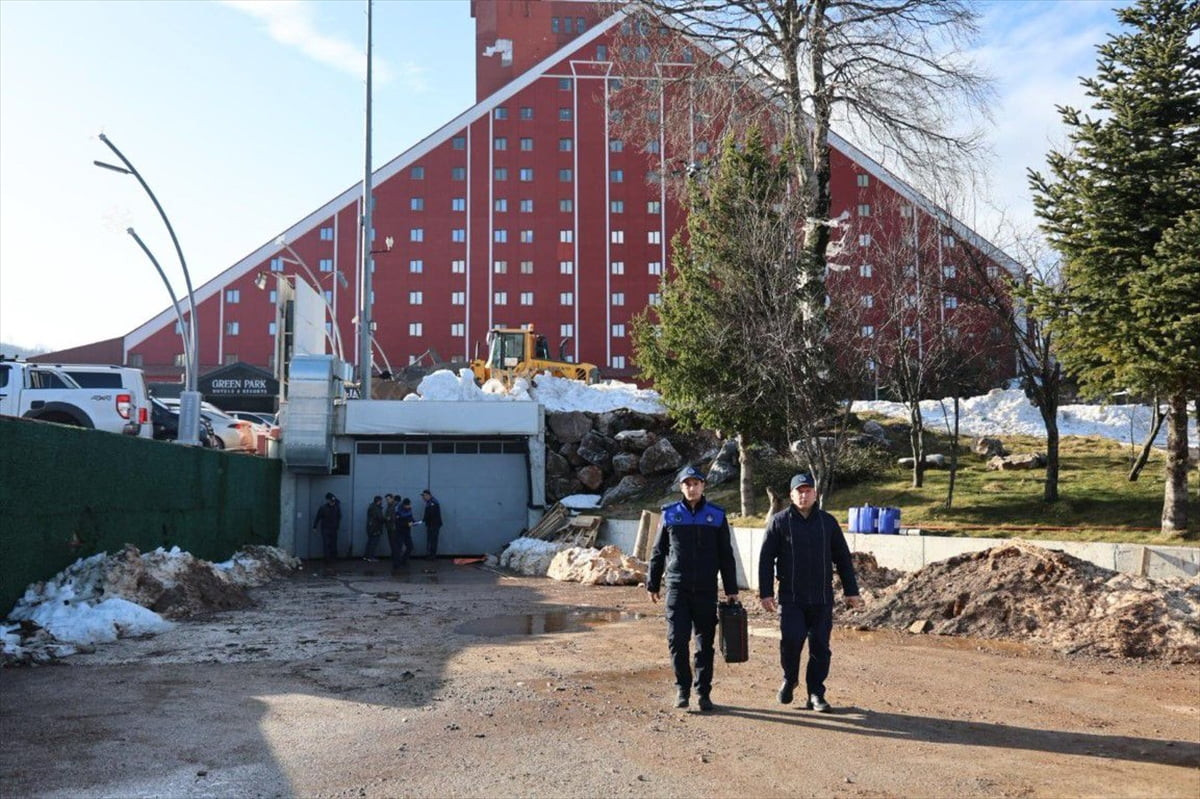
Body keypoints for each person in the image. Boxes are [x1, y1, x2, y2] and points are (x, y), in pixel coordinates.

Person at [759, 473, 864, 713]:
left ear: (815, 494)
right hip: (791, 597)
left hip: (821, 598)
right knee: (791, 640)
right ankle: (790, 677)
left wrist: (851, 591)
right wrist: (766, 593)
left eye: (808, 491)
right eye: (799, 491)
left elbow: (843, 559)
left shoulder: (827, 522)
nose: (803, 495)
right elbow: (766, 559)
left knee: (820, 646)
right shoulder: (779, 521)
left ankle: (816, 693)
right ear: (791, 495)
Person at [646, 465, 739, 712]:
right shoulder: (669, 514)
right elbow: (658, 552)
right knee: (677, 640)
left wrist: (731, 588)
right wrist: (652, 583)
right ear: (681, 487)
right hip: (677, 587)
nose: (691, 487)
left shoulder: (716, 515)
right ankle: (682, 689)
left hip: (706, 589)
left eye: (696, 483)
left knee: (704, 643)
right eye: (687, 484)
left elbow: (725, 555)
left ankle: (703, 692)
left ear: (703, 486)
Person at [312, 492, 341, 564]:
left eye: (333, 501)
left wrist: (337, 525)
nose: (332, 502)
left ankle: (333, 558)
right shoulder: (323, 508)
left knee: (333, 544)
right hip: (326, 528)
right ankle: (327, 559)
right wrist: (314, 526)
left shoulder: (336, 507)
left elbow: (339, 517)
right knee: (326, 544)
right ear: (328, 500)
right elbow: (318, 517)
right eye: (331, 501)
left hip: (333, 528)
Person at [390, 495, 416, 571]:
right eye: (408, 505)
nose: (409, 506)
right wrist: (407, 524)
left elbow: (411, 517)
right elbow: (398, 523)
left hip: (407, 532)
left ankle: (403, 560)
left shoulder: (409, 509)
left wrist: (414, 522)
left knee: (410, 546)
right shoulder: (398, 511)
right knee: (398, 548)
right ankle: (396, 564)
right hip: (399, 532)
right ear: (404, 505)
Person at [420, 489, 443, 559]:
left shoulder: (432, 502)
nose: (423, 498)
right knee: (431, 540)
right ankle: (430, 555)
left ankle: (432, 555)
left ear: (428, 495)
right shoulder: (430, 502)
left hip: (433, 525)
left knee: (433, 540)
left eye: (423, 496)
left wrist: (424, 519)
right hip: (432, 524)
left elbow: (431, 514)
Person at [364, 495, 385, 561]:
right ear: (378, 501)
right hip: (375, 528)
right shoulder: (376, 508)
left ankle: (366, 556)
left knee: (370, 542)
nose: (382, 502)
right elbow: (380, 518)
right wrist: (387, 519)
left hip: (371, 528)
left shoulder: (372, 507)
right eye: (381, 501)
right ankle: (370, 557)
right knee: (373, 543)